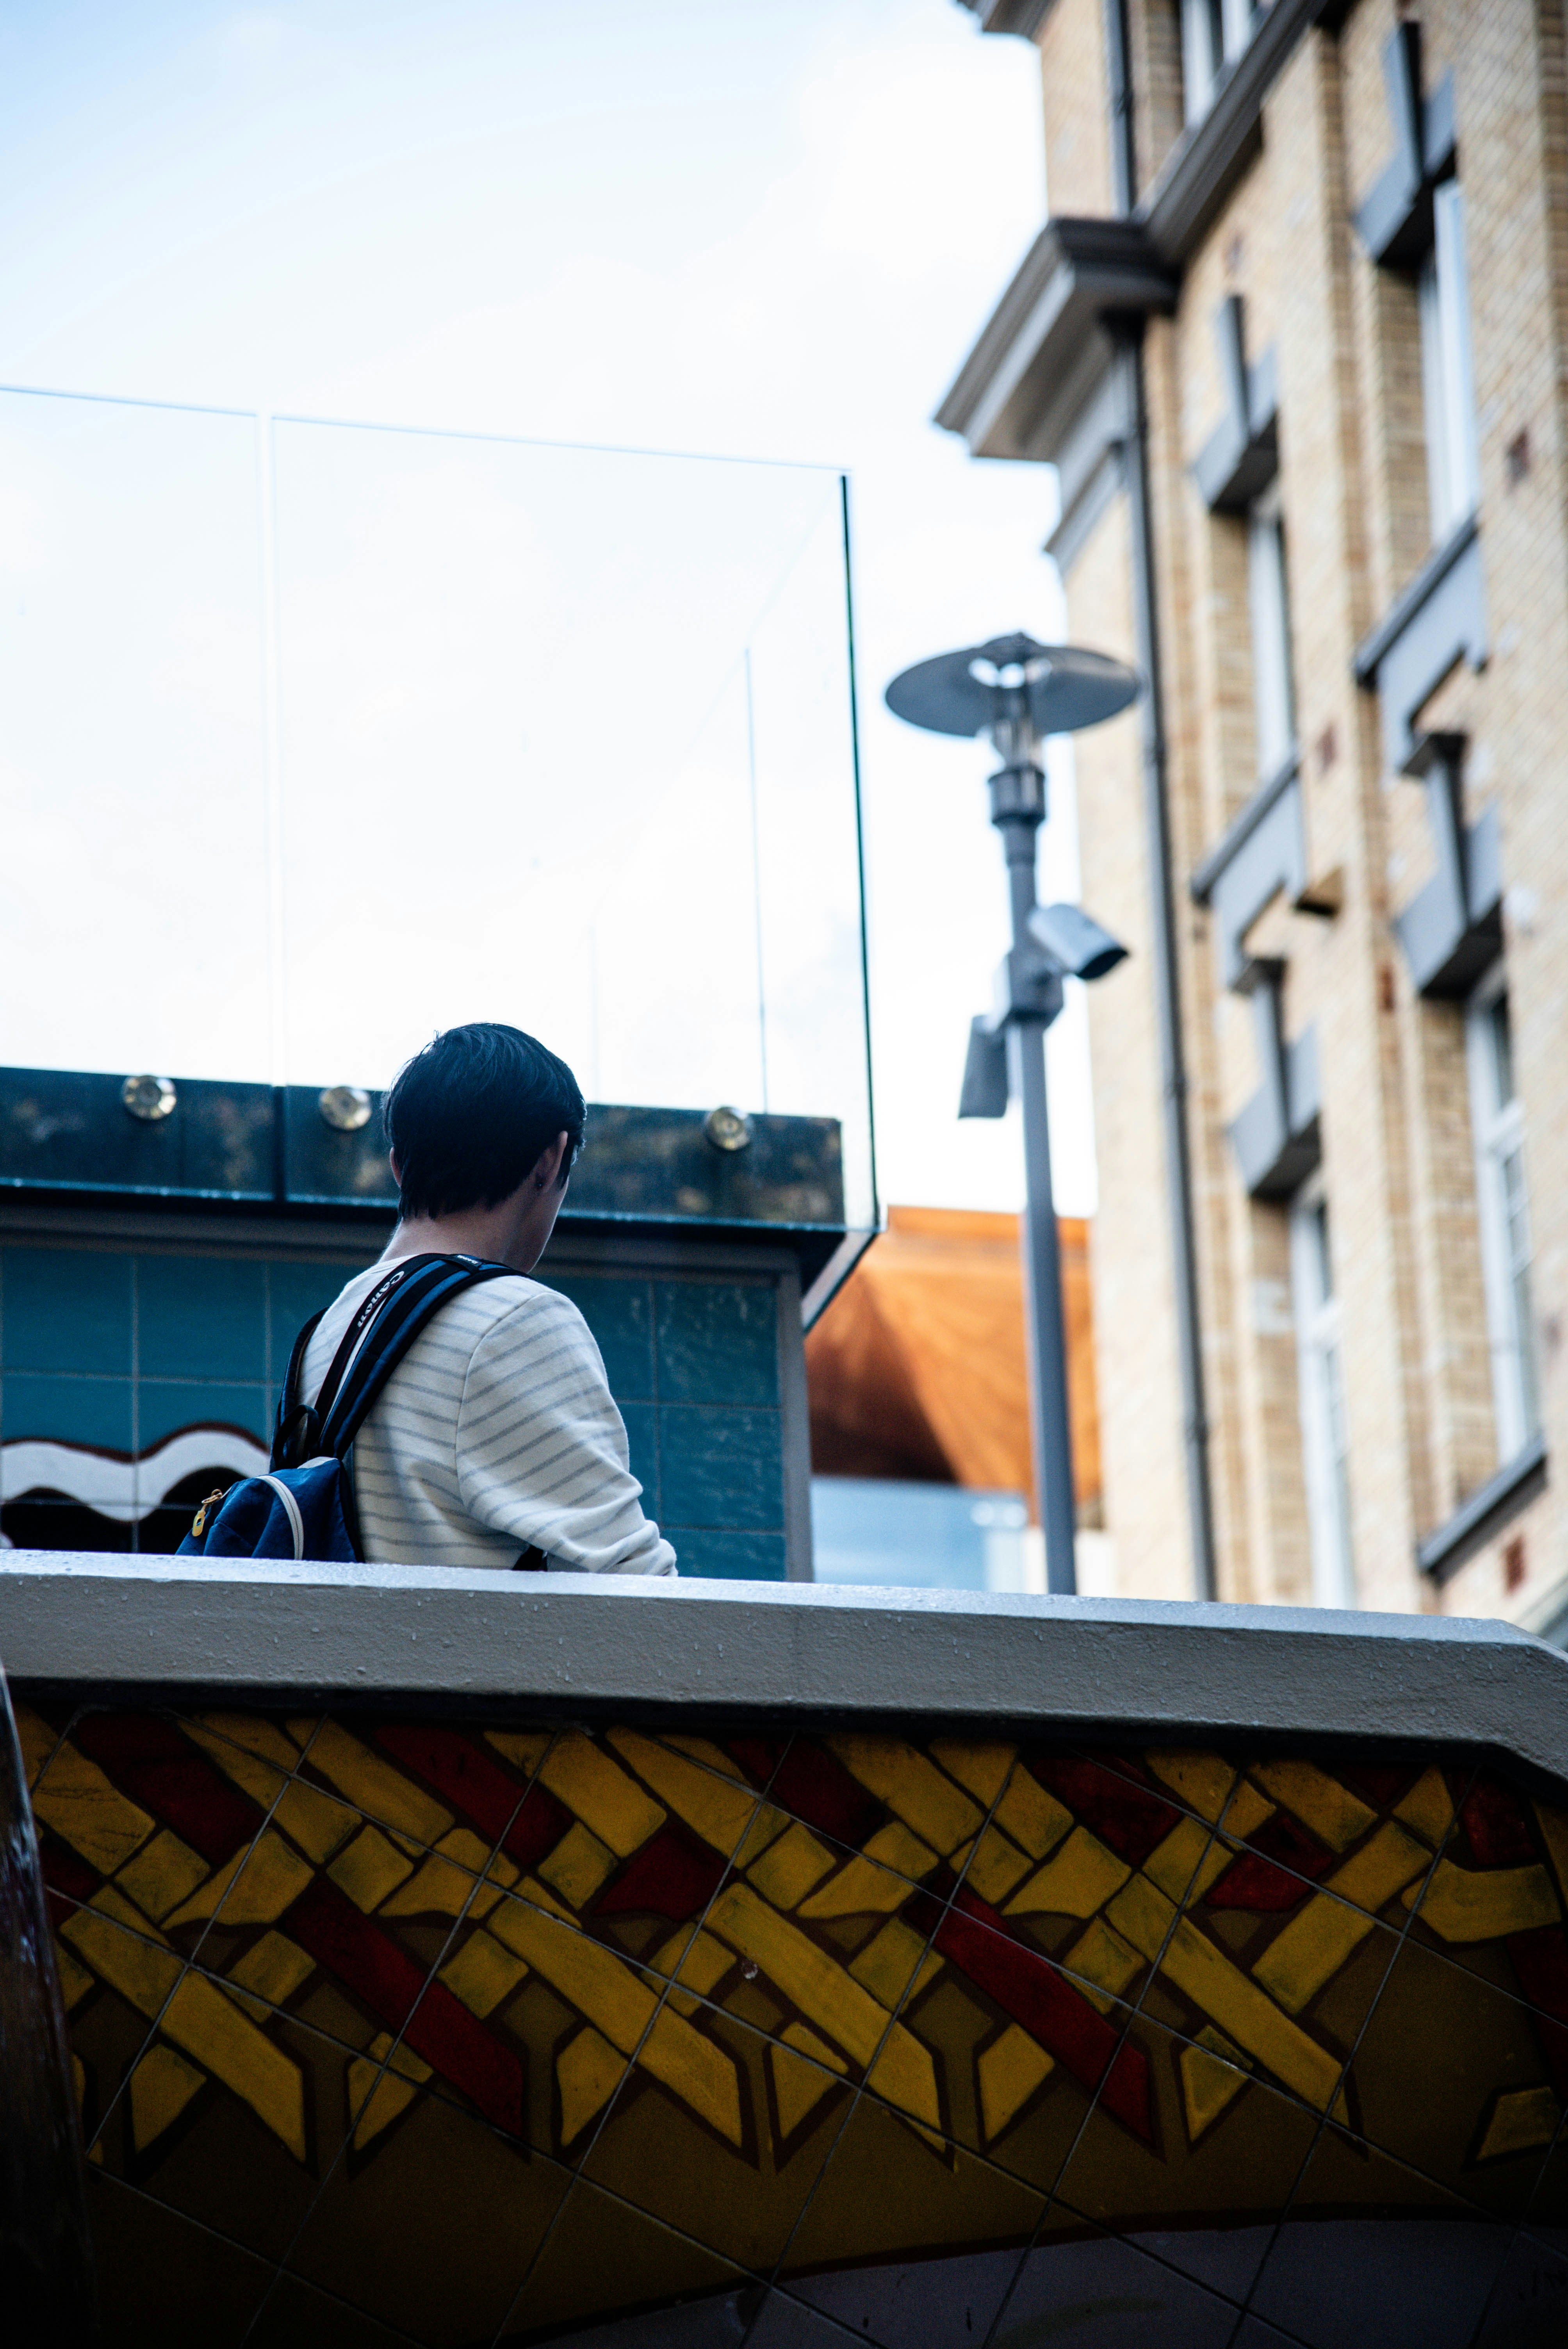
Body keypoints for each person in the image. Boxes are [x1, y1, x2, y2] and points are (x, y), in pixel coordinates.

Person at [299, 1022, 675, 1574]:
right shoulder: (515, 1320)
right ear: (551, 1159)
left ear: (399, 1167)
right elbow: (630, 1582)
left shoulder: (327, 1332)